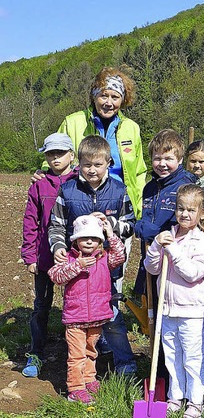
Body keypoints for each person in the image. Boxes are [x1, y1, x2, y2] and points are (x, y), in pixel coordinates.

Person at [48, 135, 137, 375]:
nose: (92, 170)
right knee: (79, 313)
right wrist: (58, 247)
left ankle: (124, 362)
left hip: (107, 264)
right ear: (79, 163)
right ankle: (82, 365)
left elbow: (131, 224)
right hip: (77, 265)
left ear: (108, 163)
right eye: (87, 165)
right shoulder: (68, 190)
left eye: (98, 165)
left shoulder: (118, 190)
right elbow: (56, 225)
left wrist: (110, 223)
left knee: (112, 312)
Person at [144, 184, 204, 418]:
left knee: (192, 357)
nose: (184, 214)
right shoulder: (169, 235)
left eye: (191, 210)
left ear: (202, 213)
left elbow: (193, 273)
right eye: (180, 208)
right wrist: (156, 245)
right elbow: (152, 268)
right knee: (172, 355)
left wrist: (172, 250)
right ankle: (176, 396)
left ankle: (196, 400)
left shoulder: (201, 242)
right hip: (167, 308)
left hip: (191, 312)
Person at [45, 67, 146, 219]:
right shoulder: (72, 122)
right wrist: (45, 172)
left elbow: (139, 172)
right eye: (104, 96)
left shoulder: (132, 128)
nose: (109, 103)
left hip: (119, 207)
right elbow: (55, 154)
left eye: (115, 97)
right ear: (94, 96)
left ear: (123, 99)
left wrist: (138, 209)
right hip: (79, 205)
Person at [48, 215, 126, 404]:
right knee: (76, 354)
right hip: (75, 317)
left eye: (94, 238)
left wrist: (110, 233)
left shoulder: (105, 257)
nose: (89, 241)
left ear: (100, 240)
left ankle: (89, 378)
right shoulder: (68, 258)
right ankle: (75, 388)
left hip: (97, 316)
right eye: (84, 238)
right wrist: (77, 266)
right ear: (75, 240)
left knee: (91, 350)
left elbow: (121, 255)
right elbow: (55, 275)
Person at [21, 133, 77, 378]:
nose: (55, 158)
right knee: (41, 306)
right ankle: (37, 351)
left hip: (74, 257)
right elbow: (30, 222)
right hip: (44, 258)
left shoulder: (80, 182)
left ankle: (75, 354)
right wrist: (30, 256)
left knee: (74, 306)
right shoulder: (39, 185)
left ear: (71, 156)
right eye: (50, 153)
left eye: (60, 153)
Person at [134, 129, 196, 292]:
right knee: (151, 301)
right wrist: (141, 227)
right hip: (151, 254)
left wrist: (153, 232)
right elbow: (145, 219)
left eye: (168, 158)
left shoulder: (185, 186)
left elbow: (185, 223)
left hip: (174, 259)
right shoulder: (149, 188)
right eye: (157, 158)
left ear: (180, 159)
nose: (162, 164)